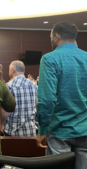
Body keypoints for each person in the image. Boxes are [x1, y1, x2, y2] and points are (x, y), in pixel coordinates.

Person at [36, 21, 87, 169]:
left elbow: (46, 99)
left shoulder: (49, 59)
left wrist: (42, 129)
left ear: (56, 36)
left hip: (60, 131)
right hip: (85, 129)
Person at [0, 61, 38, 136]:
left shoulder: (8, 86)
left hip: (13, 133)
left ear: (12, 69)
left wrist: (2, 125)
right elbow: (37, 105)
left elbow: (5, 110)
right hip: (31, 132)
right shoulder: (34, 85)